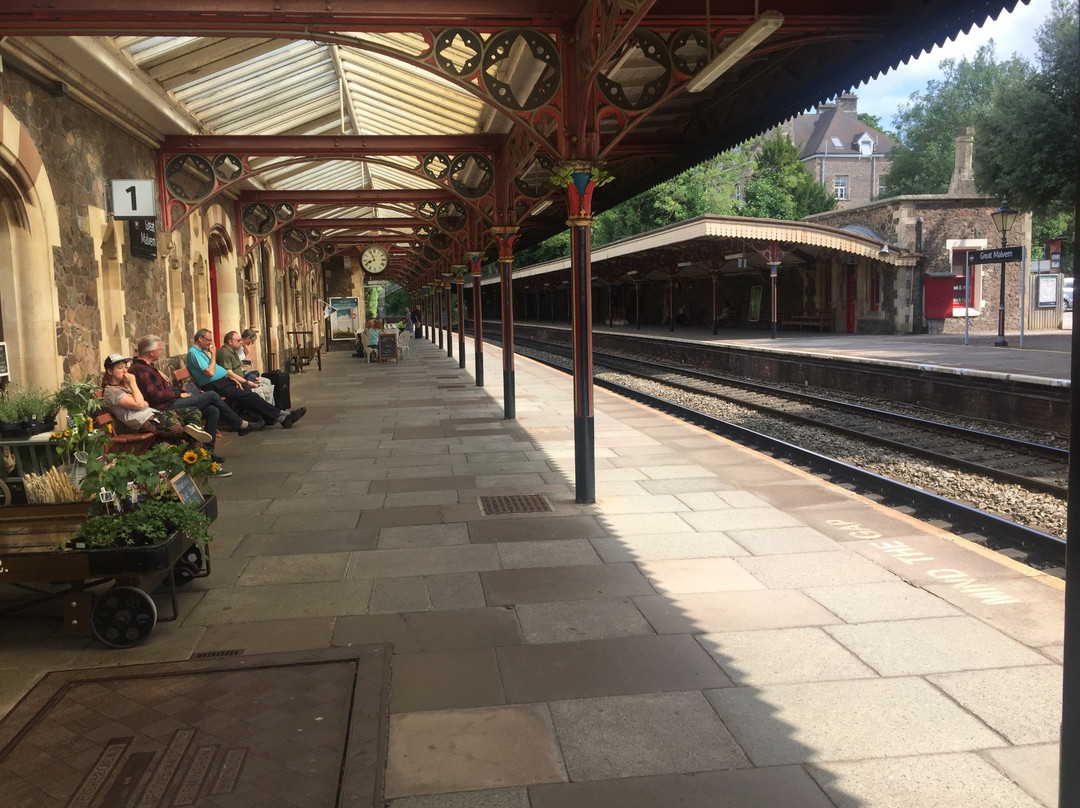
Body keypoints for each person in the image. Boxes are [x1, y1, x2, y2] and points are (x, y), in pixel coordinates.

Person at [129, 335, 264, 462]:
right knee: (211, 395)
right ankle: (238, 424)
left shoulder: (147, 367)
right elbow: (156, 396)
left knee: (212, 410)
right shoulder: (141, 370)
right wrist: (179, 394)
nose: (161, 352)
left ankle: (207, 451)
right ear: (151, 352)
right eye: (159, 349)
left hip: (172, 401)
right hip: (166, 408)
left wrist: (179, 390)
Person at [101, 353, 231, 476]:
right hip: (146, 421)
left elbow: (144, 402)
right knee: (189, 435)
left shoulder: (125, 387)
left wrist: (136, 397)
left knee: (194, 411)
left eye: (125, 367)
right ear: (110, 371)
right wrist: (133, 384)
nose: (125, 371)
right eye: (120, 368)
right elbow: (140, 404)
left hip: (155, 415)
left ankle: (194, 437)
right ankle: (207, 466)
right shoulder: (111, 391)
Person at [187, 328, 306, 428]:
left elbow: (218, 369)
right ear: (200, 339)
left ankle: (281, 417)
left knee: (249, 395)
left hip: (223, 382)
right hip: (214, 385)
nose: (210, 343)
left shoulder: (201, 352)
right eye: (208, 340)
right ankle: (282, 416)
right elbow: (210, 372)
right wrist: (213, 355)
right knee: (248, 396)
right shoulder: (194, 353)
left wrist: (231, 379)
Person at [239, 328, 291, 409]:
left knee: (268, 381)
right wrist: (249, 353)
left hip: (247, 373)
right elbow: (244, 364)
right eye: (250, 342)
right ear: (248, 338)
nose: (251, 344)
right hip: (243, 375)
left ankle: (272, 408)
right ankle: (268, 408)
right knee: (264, 383)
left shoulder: (243, 348)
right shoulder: (238, 349)